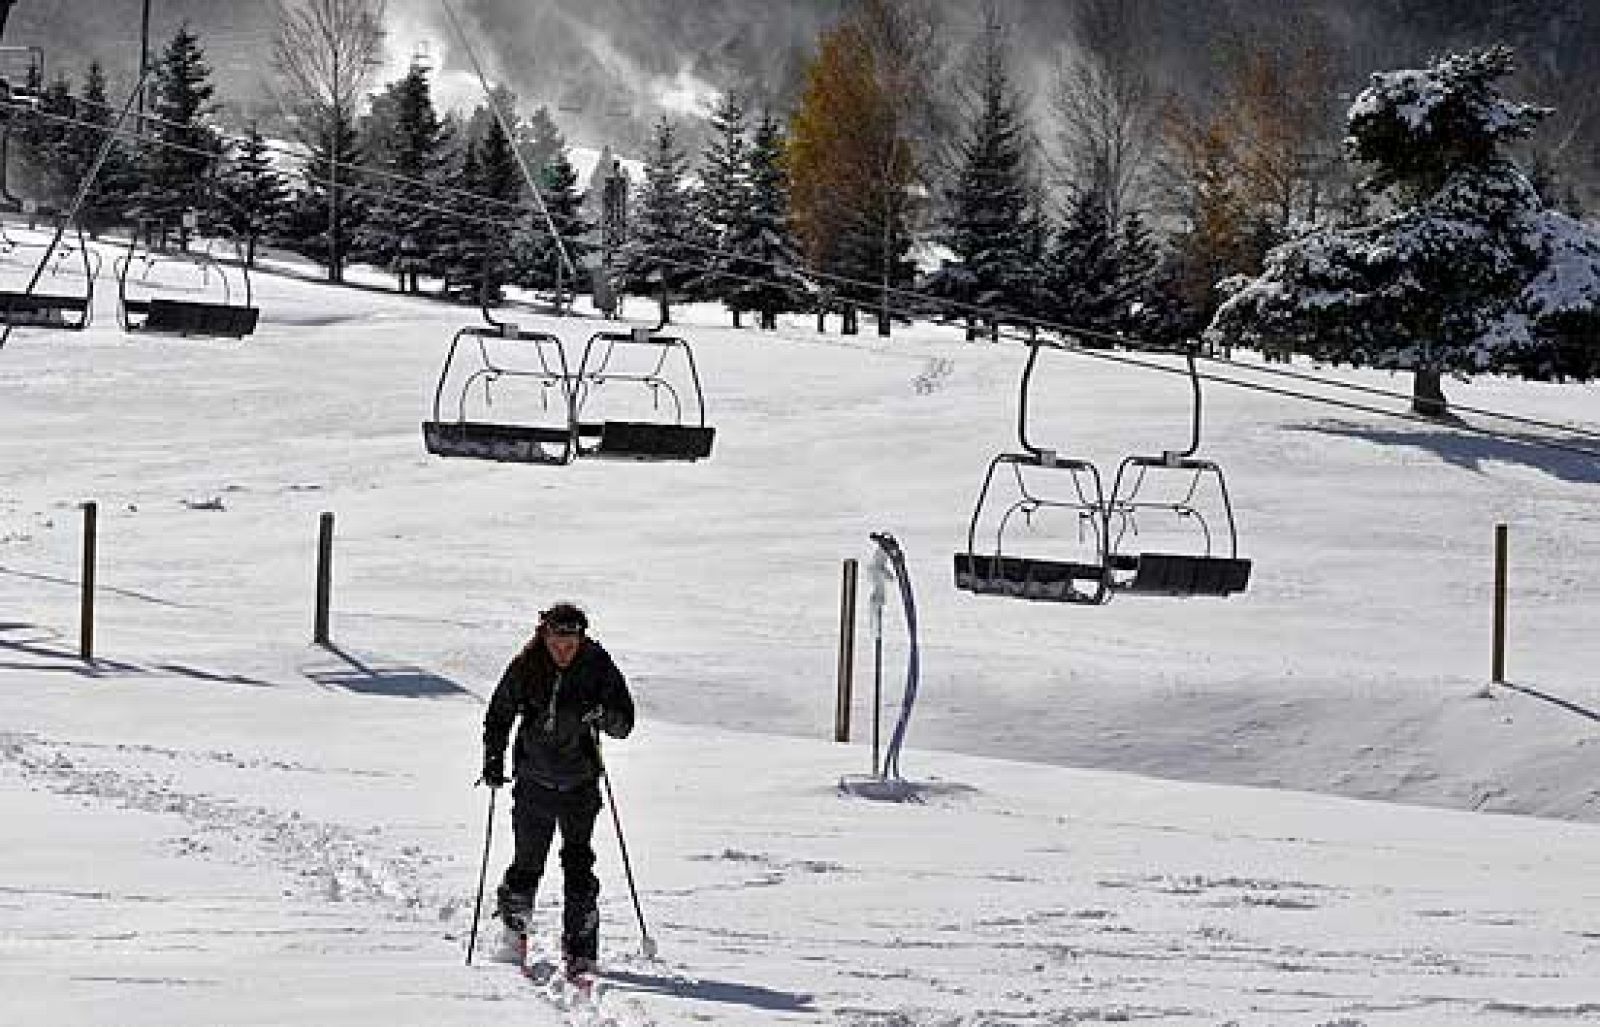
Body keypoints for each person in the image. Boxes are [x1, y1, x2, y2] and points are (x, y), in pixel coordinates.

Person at [481, 602, 634, 974]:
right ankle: (513, 937)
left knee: (578, 864)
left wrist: (604, 714)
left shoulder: (598, 667)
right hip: (534, 781)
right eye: (556, 642)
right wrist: (493, 758)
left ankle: (581, 948)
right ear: (545, 636)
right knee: (527, 863)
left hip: (580, 783)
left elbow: (624, 724)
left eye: (570, 643)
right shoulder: (527, 664)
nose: (563, 650)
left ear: (581, 638)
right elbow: (499, 713)